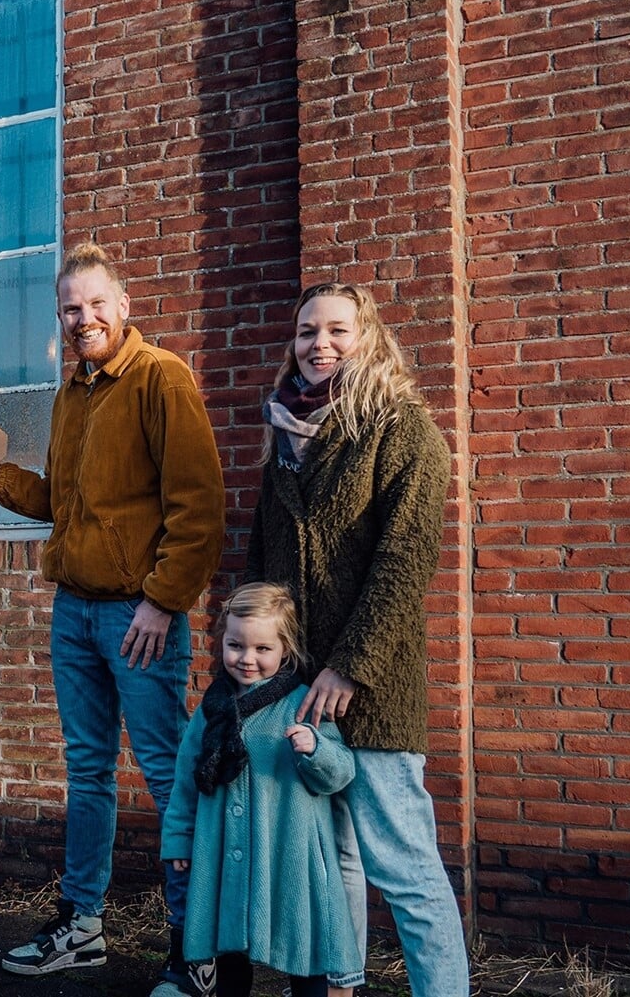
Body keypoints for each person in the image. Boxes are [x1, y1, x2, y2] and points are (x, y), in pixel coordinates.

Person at [0, 243, 225, 997]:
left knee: (169, 776)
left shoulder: (159, 378)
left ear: (123, 305)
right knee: (87, 771)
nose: (83, 318)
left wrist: (162, 600)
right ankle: (80, 925)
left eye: (95, 304)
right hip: (73, 611)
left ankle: (194, 948)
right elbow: (64, 504)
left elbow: (198, 508)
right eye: (70, 308)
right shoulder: (71, 391)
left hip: (139, 617)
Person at [244, 282, 470, 996]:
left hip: (369, 691)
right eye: (307, 330)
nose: (320, 344)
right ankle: (337, 984)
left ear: (366, 336)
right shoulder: (284, 434)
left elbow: (405, 561)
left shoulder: (402, 428)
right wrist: (261, 674)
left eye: (337, 329)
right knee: (329, 859)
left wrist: (348, 666)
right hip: (298, 693)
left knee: (402, 867)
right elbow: (261, 565)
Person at [160, 582, 358, 997]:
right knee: (229, 944)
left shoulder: (303, 703)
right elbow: (186, 778)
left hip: (287, 853)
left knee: (304, 946)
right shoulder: (213, 708)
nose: (247, 659)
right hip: (222, 849)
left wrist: (315, 748)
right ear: (223, 643)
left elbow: (341, 772)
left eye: (262, 649)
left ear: (284, 649)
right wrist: (178, 839)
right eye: (236, 646)